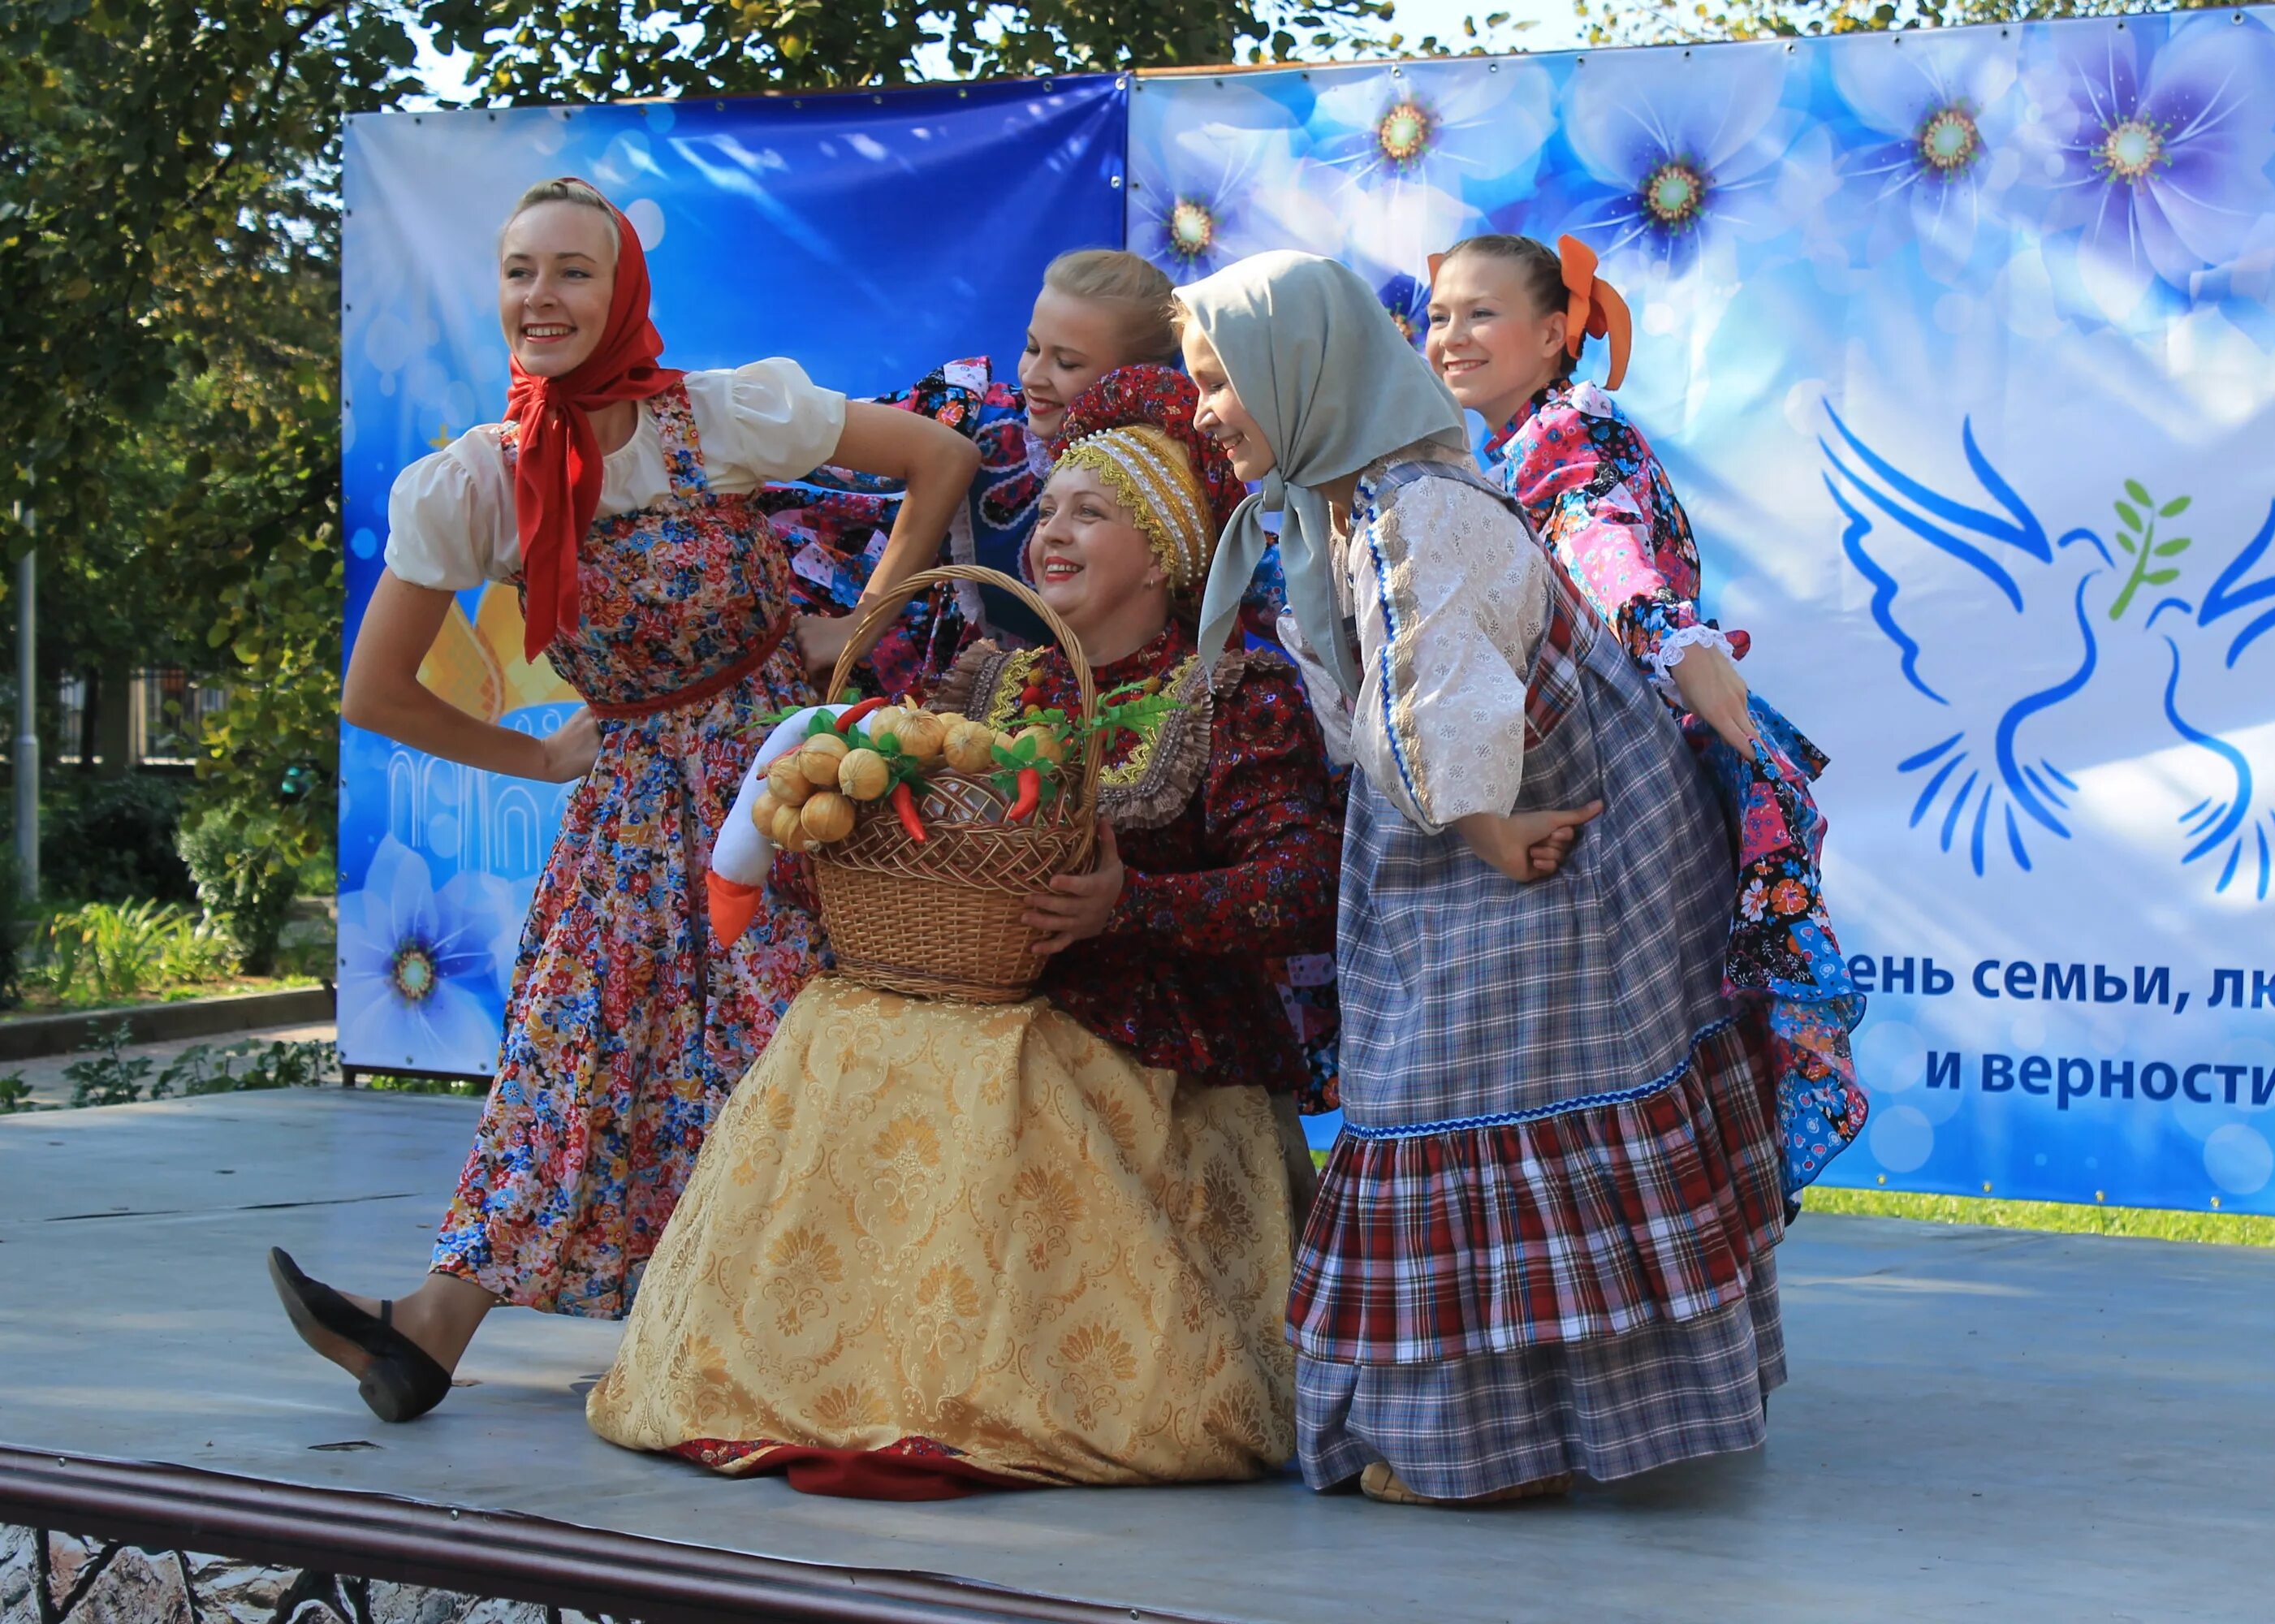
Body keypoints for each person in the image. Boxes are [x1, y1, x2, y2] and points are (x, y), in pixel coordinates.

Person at [269, 178, 980, 1424]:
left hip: (783, 788)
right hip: (635, 807)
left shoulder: (717, 417)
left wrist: (853, 633)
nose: (540, 297)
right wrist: (539, 758)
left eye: (572, 272)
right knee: (573, 1050)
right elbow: (376, 693)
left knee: (793, 1045)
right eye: (518, 272)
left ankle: (822, 1326)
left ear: (622, 290)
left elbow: (942, 458)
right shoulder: (475, 484)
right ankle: (431, 1327)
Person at [585, 369, 1342, 1497]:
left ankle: (976, 1392)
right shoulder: (995, 677)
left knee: (1002, 1064)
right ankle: (812, 1378)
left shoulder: (1235, 691)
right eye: (1047, 510)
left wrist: (1128, 906)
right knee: (838, 1021)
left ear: (1168, 550)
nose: (1051, 532)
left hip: (1147, 1040)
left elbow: (1304, 884)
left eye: (1093, 513)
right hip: (975, 992)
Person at [1176, 251, 1785, 1507]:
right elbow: (1389, 714)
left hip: (1551, 831)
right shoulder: (1339, 510)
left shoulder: (1421, 510)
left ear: (1303, 372)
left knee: (1471, 1096)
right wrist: (1468, 819)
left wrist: (1489, 827)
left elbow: (1445, 698)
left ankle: (1490, 1448)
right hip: (1471, 823)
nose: (1204, 412)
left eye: (1219, 382)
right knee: (1457, 1096)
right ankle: (1491, 1430)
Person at [1427, 231, 1867, 1201]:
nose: (1451, 336)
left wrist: (1679, 641)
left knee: (1611, 1060)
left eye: (1480, 313)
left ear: (1553, 334)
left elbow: (1602, 540)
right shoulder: (1507, 448)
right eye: (1439, 316)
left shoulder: (1569, 437)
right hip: (1601, 772)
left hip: (1623, 783)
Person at [773, 248, 1181, 696]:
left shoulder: (1181, 481)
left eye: (1066, 363)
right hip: (940, 684)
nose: (1034, 375)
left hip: (1110, 706)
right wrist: (856, 625)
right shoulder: (980, 424)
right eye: (1032, 348)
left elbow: (1255, 585)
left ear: (1138, 380)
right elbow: (798, 435)